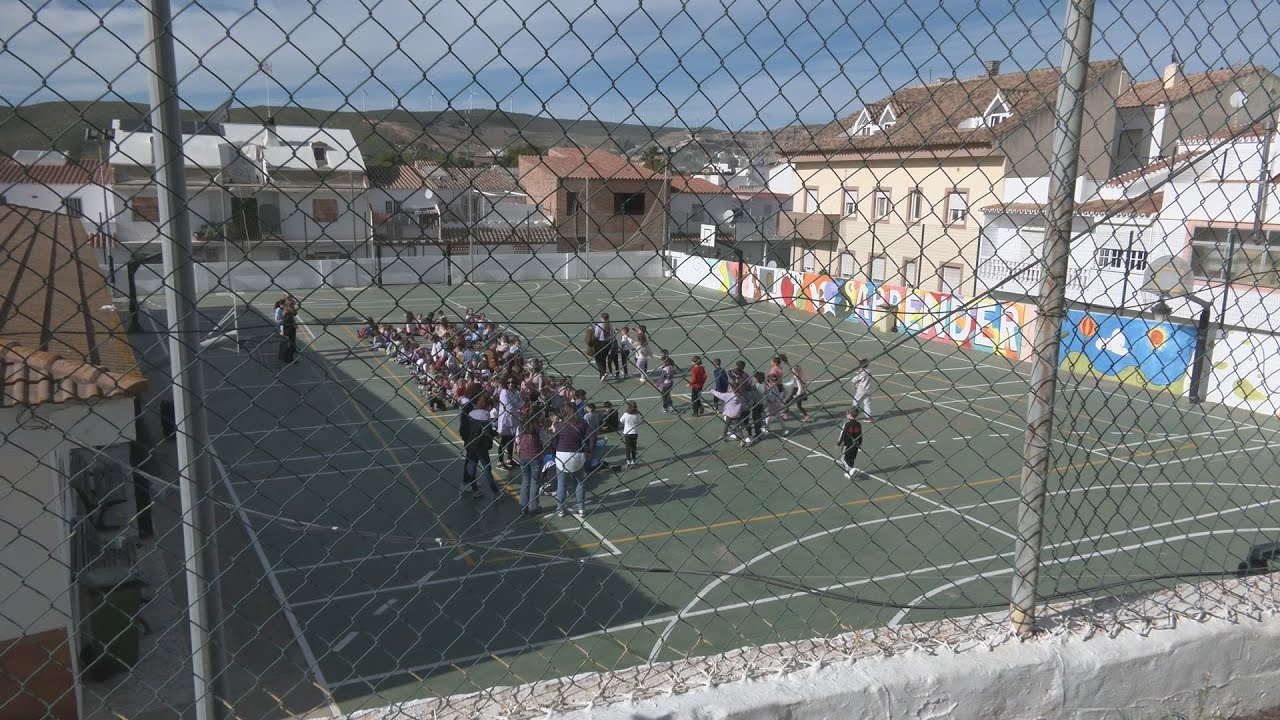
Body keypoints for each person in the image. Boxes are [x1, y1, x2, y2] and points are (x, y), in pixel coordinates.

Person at [460, 390, 501, 498]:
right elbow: (487, 431)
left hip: (470, 444)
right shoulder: (485, 415)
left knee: (472, 466)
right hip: (481, 446)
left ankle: (474, 488)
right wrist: (496, 433)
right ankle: (495, 491)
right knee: (487, 469)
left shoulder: (471, 413)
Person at [550, 406, 590, 517]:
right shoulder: (582, 423)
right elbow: (592, 435)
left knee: (561, 484)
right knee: (580, 482)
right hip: (578, 455)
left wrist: (557, 450)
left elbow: (554, 442)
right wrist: (590, 450)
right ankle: (581, 509)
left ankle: (560, 509)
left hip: (562, 456)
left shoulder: (559, 426)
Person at [515, 407, 545, 515]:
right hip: (536, 456)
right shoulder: (538, 429)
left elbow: (517, 440)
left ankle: (523, 507)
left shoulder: (520, 428)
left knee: (525, 481)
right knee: (535, 482)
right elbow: (545, 440)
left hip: (523, 456)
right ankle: (533, 507)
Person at [496, 377, 521, 469]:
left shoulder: (515, 392)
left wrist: (517, 405)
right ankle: (500, 461)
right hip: (506, 419)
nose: (511, 384)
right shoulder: (504, 392)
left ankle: (509, 459)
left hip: (514, 418)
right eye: (509, 382)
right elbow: (509, 406)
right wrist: (517, 405)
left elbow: (520, 402)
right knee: (504, 440)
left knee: (511, 439)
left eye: (513, 382)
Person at [837, 408, 864, 477]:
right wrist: (859, 443)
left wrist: (839, 443)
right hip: (855, 444)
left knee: (843, 459)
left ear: (849, 414)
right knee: (851, 458)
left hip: (847, 444)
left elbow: (844, 434)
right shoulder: (859, 424)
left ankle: (850, 469)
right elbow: (860, 435)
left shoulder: (847, 424)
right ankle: (849, 473)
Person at [620, 401, 642, 468]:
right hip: (635, 432)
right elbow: (639, 421)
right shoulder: (637, 414)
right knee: (634, 447)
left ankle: (628, 461)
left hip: (627, 432)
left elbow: (621, 420)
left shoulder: (626, 414)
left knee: (628, 447)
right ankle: (633, 461)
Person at [593, 312, 614, 381]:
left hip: (600, 343)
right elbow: (611, 335)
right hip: (608, 343)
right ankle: (602, 376)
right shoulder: (610, 325)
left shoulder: (599, 325)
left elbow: (596, 335)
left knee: (598, 360)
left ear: (602, 318)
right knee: (603, 359)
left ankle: (603, 372)